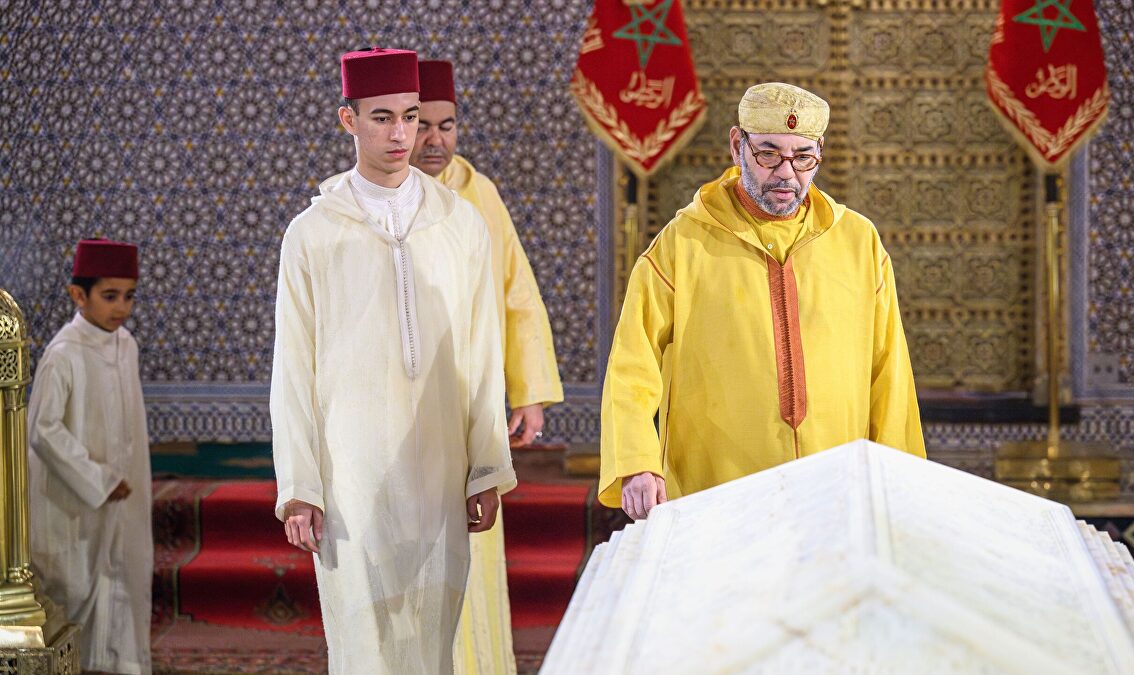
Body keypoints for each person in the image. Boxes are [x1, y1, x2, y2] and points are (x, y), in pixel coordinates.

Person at [270, 47, 515, 674]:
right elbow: (292, 368)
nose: (402, 134)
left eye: (410, 115)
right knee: (361, 639)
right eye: (382, 117)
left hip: (440, 461)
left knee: (433, 636)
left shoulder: (460, 224)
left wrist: (487, 465)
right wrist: (300, 487)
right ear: (348, 119)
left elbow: (482, 352)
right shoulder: (313, 233)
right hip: (350, 466)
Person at [600, 82, 926, 521]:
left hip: (834, 488)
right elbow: (632, 362)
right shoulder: (683, 243)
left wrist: (899, 473)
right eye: (769, 154)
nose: (786, 173)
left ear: (820, 152)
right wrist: (637, 460)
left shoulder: (858, 241)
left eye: (803, 157)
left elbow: (890, 371)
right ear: (738, 146)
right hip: (714, 490)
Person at [413, 58, 563, 675]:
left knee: (474, 543)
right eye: (421, 125)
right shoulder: (375, 197)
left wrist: (529, 392)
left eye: (446, 126)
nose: (434, 140)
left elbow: (516, 292)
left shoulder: (481, 193)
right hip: (400, 405)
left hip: (471, 403)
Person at [28, 238, 152, 674]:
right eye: (110, 295)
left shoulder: (126, 345)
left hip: (122, 496)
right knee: (74, 591)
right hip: (74, 503)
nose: (122, 308)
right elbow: (43, 430)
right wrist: (98, 480)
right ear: (78, 295)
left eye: (129, 296)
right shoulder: (63, 354)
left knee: (124, 584)